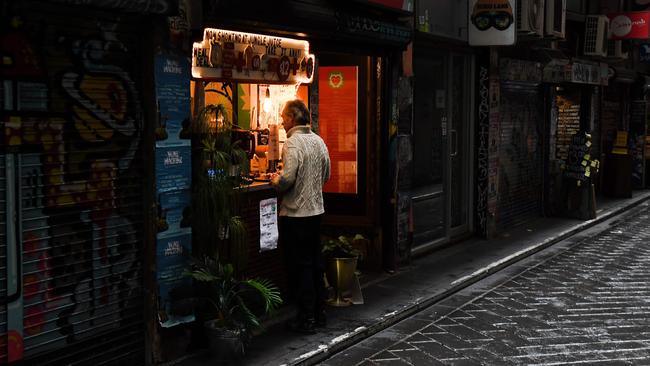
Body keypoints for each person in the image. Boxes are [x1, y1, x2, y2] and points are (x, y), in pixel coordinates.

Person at [270, 99, 330, 334]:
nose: (282, 121)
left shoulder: (293, 143)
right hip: (316, 212)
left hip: (296, 215)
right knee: (315, 262)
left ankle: (305, 318)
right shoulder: (319, 140)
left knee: (300, 265)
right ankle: (319, 312)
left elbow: (286, 180)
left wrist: (275, 180)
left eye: (284, 116)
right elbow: (327, 174)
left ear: (293, 118)